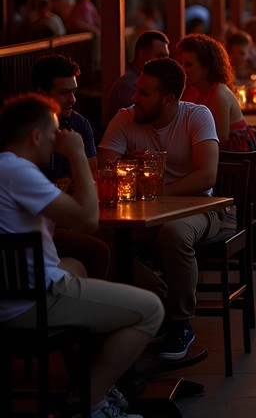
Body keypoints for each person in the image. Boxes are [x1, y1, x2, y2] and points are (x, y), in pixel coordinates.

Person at [1, 93, 164, 418]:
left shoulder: (6, 168)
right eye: (53, 134)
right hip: (31, 303)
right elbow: (89, 221)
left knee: (75, 264)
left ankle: (87, 379)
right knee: (151, 309)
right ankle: (88, 400)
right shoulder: (18, 172)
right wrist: (77, 155)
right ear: (35, 136)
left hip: (10, 294)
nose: (56, 141)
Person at [98, 57, 220, 361]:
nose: (134, 98)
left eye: (143, 93)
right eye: (136, 89)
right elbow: (102, 168)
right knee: (96, 236)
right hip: (140, 214)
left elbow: (207, 175)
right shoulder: (125, 118)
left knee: (174, 233)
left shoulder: (197, 116)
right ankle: (157, 301)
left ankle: (179, 323)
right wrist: (130, 166)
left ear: (168, 99)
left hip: (198, 207)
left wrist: (160, 192)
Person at [30, 54, 110, 282]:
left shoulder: (78, 124)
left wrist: (64, 184)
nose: (73, 99)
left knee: (105, 241)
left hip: (68, 216)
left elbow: (90, 174)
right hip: (41, 224)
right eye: (64, 93)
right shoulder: (25, 132)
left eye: (74, 91)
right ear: (41, 95)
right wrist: (69, 180)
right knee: (99, 248)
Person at [177, 33, 256, 153]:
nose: (182, 69)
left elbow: (220, 141)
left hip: (235, 160)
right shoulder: (192, 90)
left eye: (188, 64)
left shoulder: (218, 93)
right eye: (181, 63)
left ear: (206, 68)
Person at [104, 29, 170, 126]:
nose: (165, 63)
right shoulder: (128, 85)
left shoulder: (142, 82)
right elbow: (145, 124)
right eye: (160, 56)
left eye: (167, 58)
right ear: (143, 54)